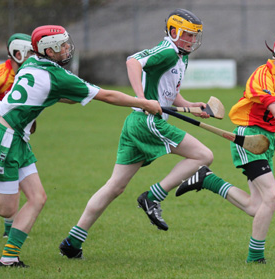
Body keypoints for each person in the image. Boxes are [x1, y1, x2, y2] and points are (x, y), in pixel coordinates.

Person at [0, 25, 161, 268]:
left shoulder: (31, 63)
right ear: (49, 51)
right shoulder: (56, 75)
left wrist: (83, 94)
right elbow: (108, 96)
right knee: (7, 210)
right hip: (6, 137)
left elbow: (60, 95)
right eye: (63, 45)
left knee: (37, 198)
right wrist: (144, 103)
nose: (68, 47)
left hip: (16, 136)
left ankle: (8, 258)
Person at [59, 8, 213, 259]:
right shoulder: (167, 51)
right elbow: (133, 61)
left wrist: (190, 106)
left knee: (115, 186)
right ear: (173, 32)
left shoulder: (181, 56)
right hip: (146, 121)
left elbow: (169, 94)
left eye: (195, 36)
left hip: (137, 122)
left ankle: (72, 242)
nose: (192, 41)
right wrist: (140, 99)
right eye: (187, 35)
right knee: (203, 155)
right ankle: (152, 197)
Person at [175, 34, 275, 264]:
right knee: (272, 196)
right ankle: (255, 257)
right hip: (248, 137)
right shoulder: (262, 76)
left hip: (266, 141)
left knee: (255, 206)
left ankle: (207, 179)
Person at [0, 33, 34, 239]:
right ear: (18, 54)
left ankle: (9, 228)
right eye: (31, 53)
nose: (35, 57)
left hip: (12, 134)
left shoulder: (25, 76)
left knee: (12, 176)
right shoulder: (0, 75)